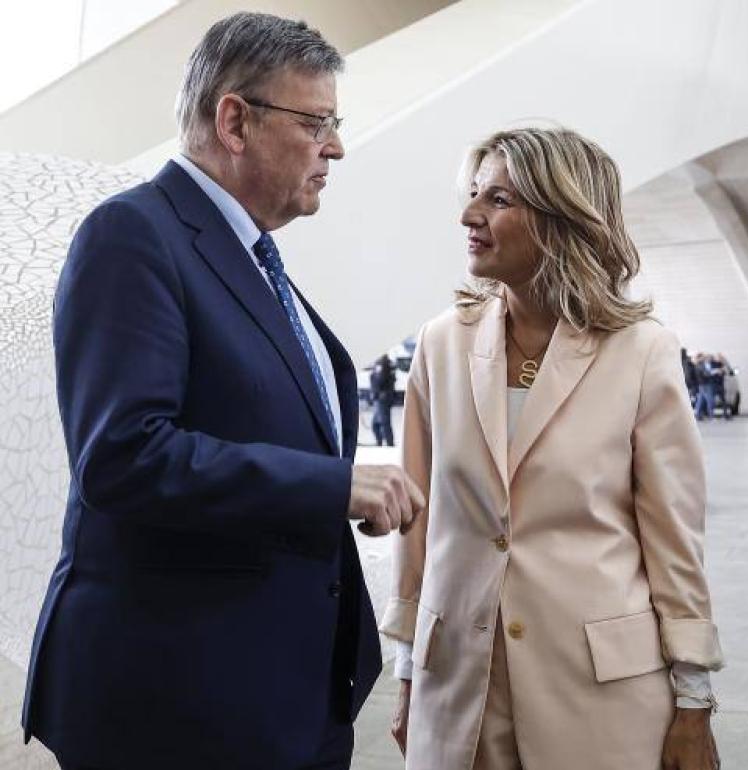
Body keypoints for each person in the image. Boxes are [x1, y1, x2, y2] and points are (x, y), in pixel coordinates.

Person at [22, 13, 423, 770]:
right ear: (234, 120)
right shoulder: (133, 236)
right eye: (317, 122)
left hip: (268, 690)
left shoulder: (250, 256)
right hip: (178, 703)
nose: (335, 146)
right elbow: (125, 457)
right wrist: (333, 486)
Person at [382, 127, 725, 770]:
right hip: (458, 685)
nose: (470, 215)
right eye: (474, 193)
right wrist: (407, 671)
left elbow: (674, 539)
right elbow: (419, 523)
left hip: (600, 695)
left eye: (499, 199)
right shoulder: (439, 345)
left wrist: (694, 697)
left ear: (561, 215)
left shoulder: (642, 351)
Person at [370, 354, 397, 446]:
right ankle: (381, 442)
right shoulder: (383, 364)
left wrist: (375, 393)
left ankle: (389, 443)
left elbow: (380, 380)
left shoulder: (383, 364)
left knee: (384, 423)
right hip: (380, 398)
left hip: (382, 399)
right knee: (376, 424)